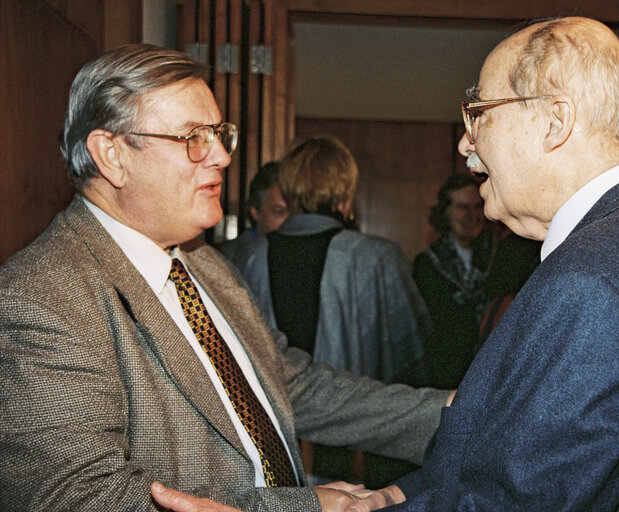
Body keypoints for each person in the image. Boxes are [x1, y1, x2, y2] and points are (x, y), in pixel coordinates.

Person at [148, 16, 619, 512]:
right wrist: (398, 493)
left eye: (479, 114)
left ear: (555, 121)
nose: (465, 144)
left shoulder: (595, 286)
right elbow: (519, 461)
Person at [0, 44, 451, 512]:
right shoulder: (39, 297)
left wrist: (460, 411)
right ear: (111, 155)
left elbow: (290, 385)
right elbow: (74, 496)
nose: (220, 156)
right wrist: (306, 507)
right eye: (193, 137)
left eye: (218, 133)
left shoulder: (201, 260)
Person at [242, 136, 431, 486]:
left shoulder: (247, 256)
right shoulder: (376, 256)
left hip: (267, 449)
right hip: (357, 440)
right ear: (346, 191)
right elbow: (411, 359)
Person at [413, 173, 490, 388]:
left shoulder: (495, 258)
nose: (472, 215)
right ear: (445, 213)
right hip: (443, 377)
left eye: (477, 207)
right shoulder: (427, 264)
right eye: (462, 207)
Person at [218, 161, 289, 272]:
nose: (290, 220)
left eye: (296, 211)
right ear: (255, 211)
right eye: (279, 212)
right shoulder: (226, 259)